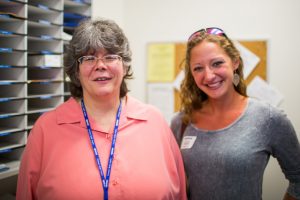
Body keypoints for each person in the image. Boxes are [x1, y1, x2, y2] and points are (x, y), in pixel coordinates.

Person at [16, 18, 187, 200]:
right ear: (76, 71)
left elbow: (180, 194)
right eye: (89, 58)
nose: (100, 65)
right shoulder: (46, 129)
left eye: (110, 56)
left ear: (124, 65)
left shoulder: (154, 122)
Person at [171, 27, 300, 200]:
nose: (209, 76)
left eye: (217, 63)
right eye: (198, 68)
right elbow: (174, 182)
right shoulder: (182, 121)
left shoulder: (268, 118)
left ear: (235, 62)